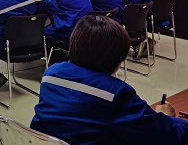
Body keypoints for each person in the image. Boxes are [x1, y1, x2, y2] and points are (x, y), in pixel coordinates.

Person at [31, 15, 188, 144]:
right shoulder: (115, 93)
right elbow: (165, 134)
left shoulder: (51, 74)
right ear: (117, 61)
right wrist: (166, 117)